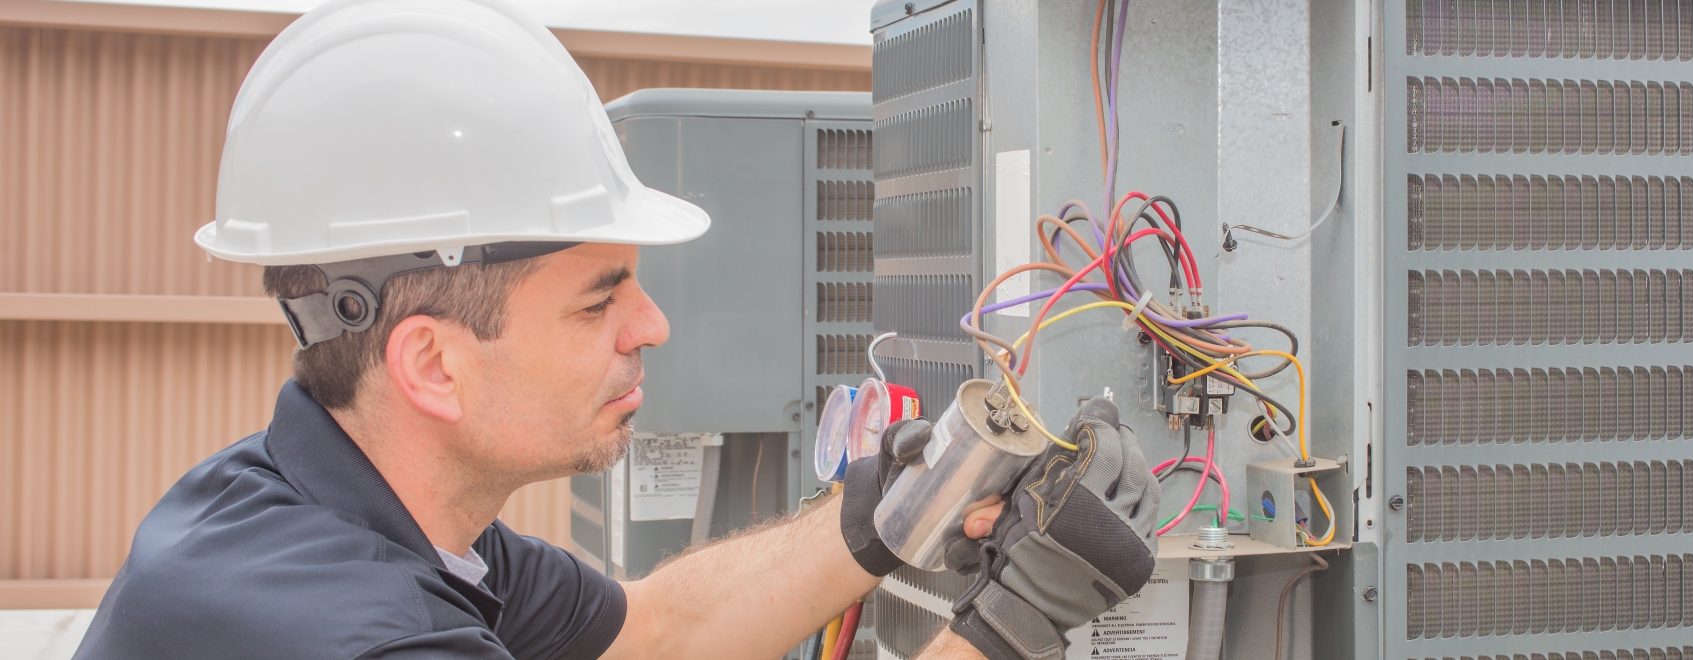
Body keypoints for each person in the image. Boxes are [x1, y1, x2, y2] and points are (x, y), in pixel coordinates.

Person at [71, 1, 1162, 659]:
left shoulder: (315, 505)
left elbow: (653, 635)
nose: (652, 324)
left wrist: (875, 515)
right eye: (599, 297)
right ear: (432, 363)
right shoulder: (361, 637)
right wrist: (1016, 622)